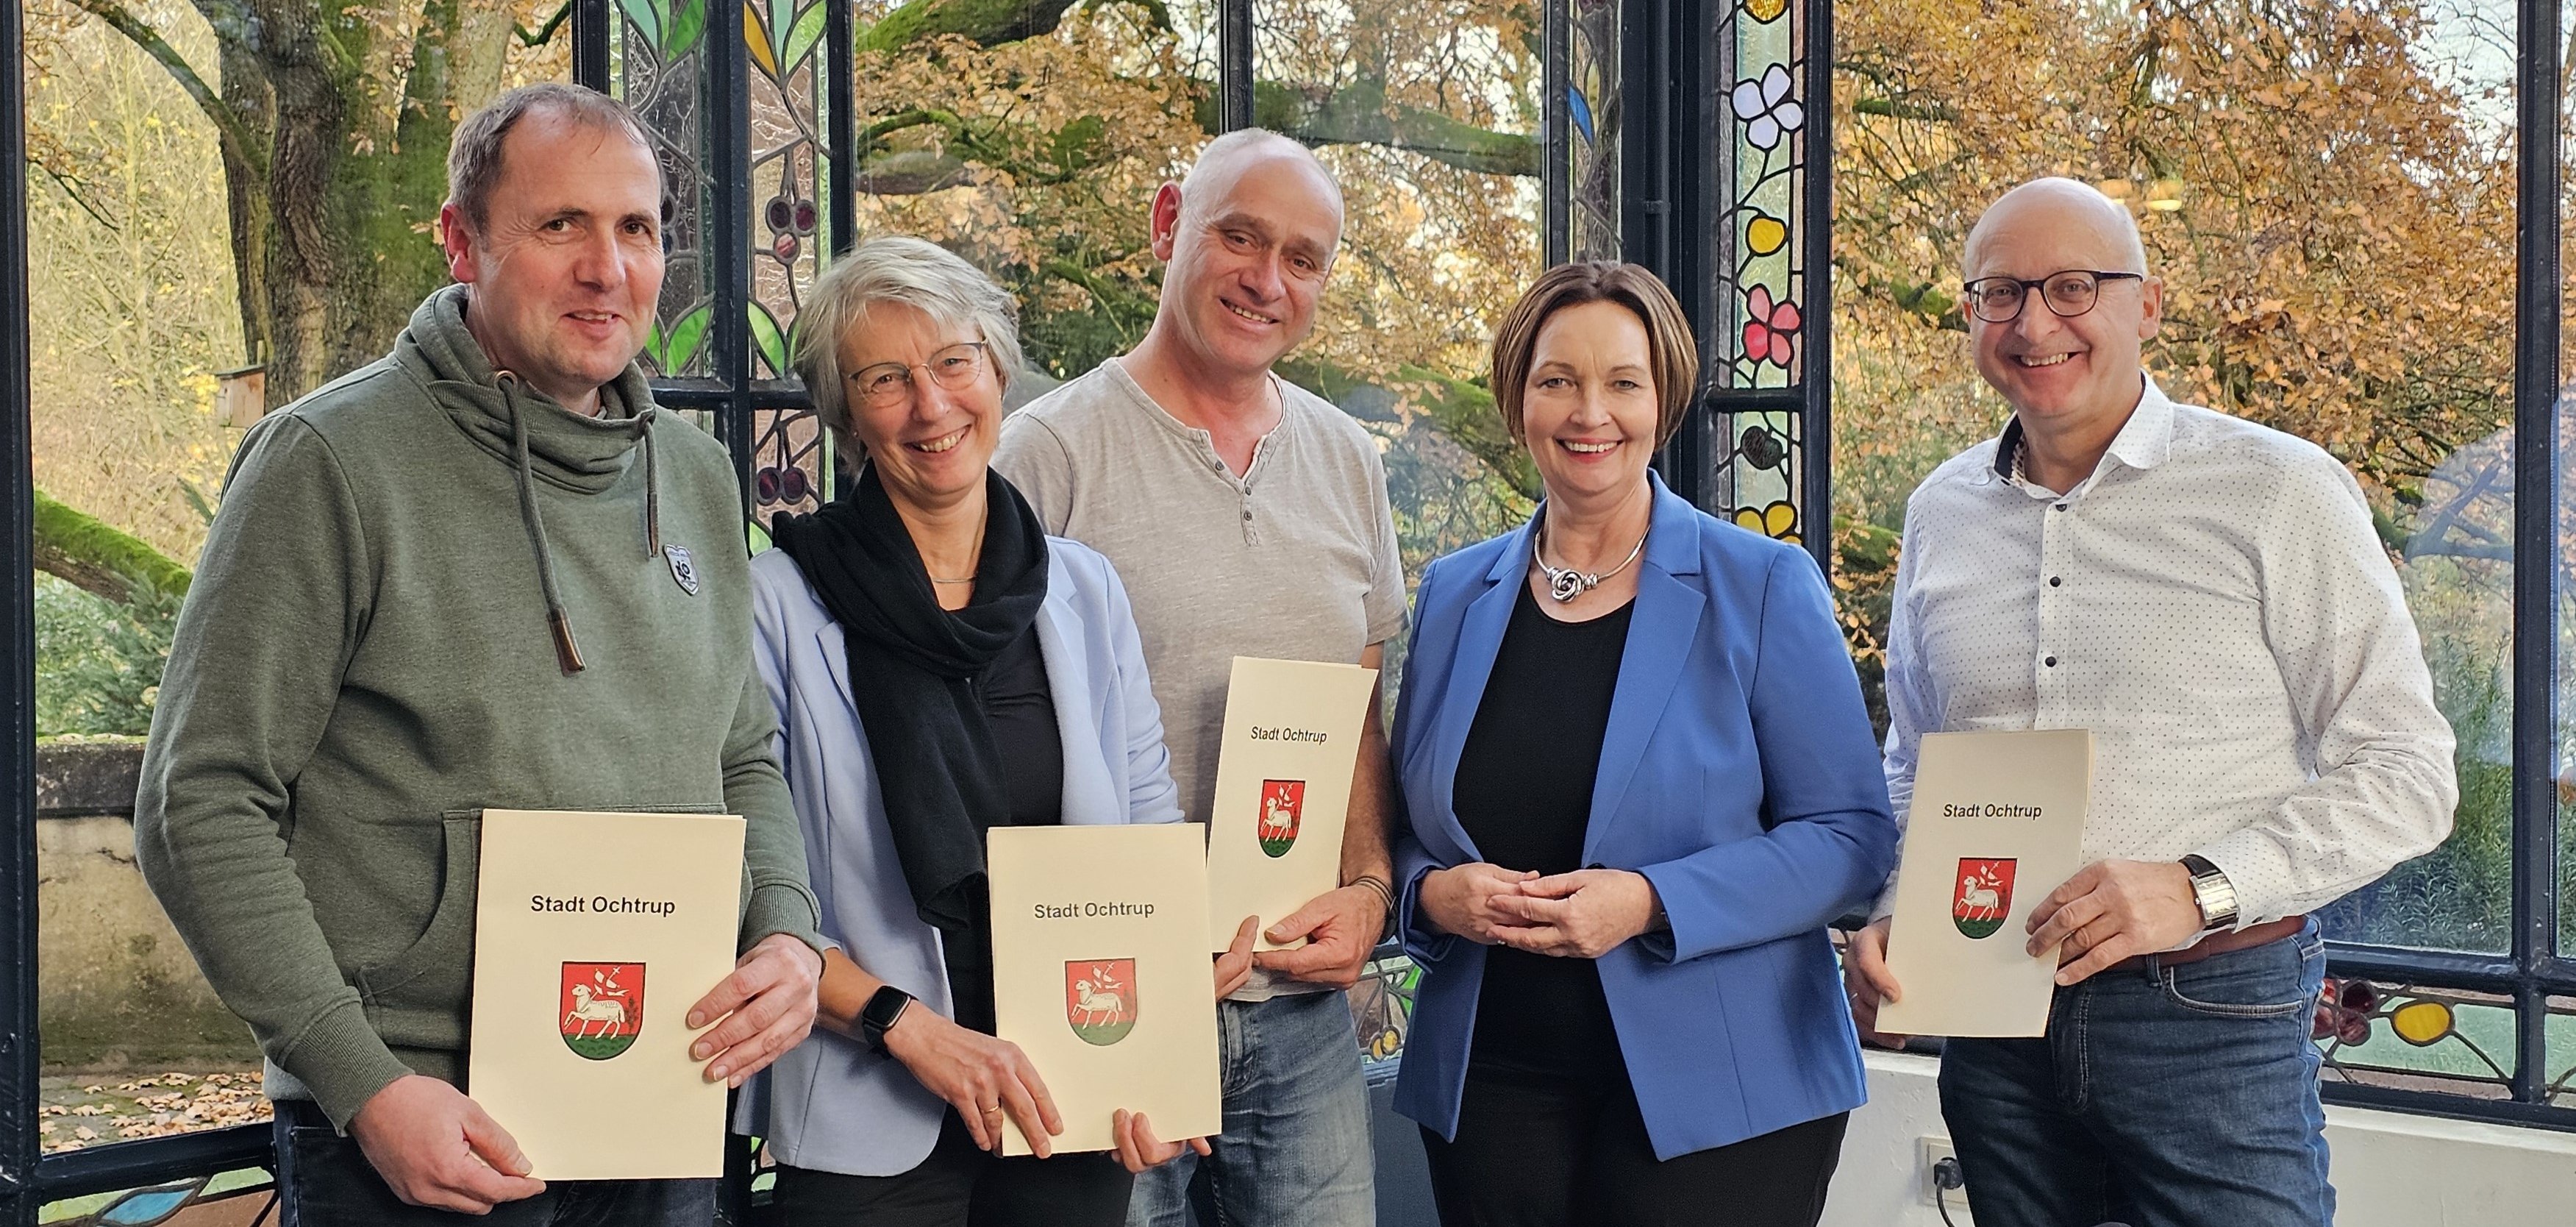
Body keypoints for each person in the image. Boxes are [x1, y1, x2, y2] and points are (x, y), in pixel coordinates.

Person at [132, 84, 827, 1224]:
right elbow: (198, 801)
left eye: (637, 229)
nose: (608, 268)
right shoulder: (329, 461)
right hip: (421, 1133)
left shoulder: (697, 479)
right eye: (562, 225)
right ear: (464, 241)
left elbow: (743, 752)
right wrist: (361, 1085)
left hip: (663, 1101)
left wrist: (789, 931)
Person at [1843, 177, 2458, 1227]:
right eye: (2000, 294)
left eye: (2073, 287)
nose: (2034, 323)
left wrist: (2204, 887)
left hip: (2210, 1006)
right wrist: (1897, 910)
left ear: (2149, 306)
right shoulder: (1941, 511)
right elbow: (1917, 759)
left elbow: (2409, 773)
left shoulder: (2278, 489)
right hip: (1994, 1015)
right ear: (1970, 317)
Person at [741, 235, 1251, 1226]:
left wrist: (1166, 1017)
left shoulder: (1084, 589)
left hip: (1071, 1086)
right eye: (885, 379)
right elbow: (755, 874)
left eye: (952, 362)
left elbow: (1146, 827)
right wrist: (906, 1027)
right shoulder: (778, 603)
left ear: (999, 371)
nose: (931, 406)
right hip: (867, 1105)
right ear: (847, 414)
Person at [1387, 262, 1897, 1227]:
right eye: (1557, 380)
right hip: (1491, 1085)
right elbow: (1409, 825)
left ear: (1664, 399)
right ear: (1517, 397)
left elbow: (1851, 839)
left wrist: (1651, 901)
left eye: (1623, 382)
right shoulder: (1454, 595)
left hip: (1724, 1088)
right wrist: (1430, 895)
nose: (1591, 413)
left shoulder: (1761, 584)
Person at [991, 129, 1399, 1227]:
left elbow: (1359, 707)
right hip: (1112, 1007)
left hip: (1306, 1016)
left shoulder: (1350, 463)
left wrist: (1368, 890)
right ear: (1170, 224)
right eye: (1240, 237)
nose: (1268, 281)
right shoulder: (1044, 458)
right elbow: (989, 739)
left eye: (1303, 259)